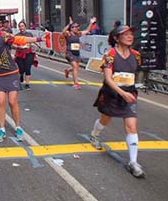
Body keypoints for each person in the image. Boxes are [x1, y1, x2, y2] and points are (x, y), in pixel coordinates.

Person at [89, 25, 144, 178]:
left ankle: (133, 162)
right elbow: (107, 78)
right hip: (111, 94)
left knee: (131, 126)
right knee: (105, 120)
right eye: (125, 34)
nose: (130, 36)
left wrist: (136, 86)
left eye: (131, 34)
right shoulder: (110, 55)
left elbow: (137, 73)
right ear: (116, 38)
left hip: (129, 95)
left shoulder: (136, 55)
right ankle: (95, 134)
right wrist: (121, 93)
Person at [0, 16, 44, 143]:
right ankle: (1, 129)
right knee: (0, 101)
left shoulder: (3, 36)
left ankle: (18, 127)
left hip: (11, 73)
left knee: (12, 101)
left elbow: (20, 39)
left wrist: (39, 38)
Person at [62, 16, 97, 89]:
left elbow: (87, 31)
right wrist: (69, 24)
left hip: (76, 52)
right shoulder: (68, 34)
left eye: (78, 27)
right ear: (72, 28)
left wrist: (91, 23)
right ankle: (76, 83)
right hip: (69, 52)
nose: (77, 28)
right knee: (75, 67)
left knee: (77, 67)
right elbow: (63, 32)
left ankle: (68, 70)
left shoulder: (78, 34)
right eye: (75, 27)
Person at [14, 21, 38, 90]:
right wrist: (18, 47)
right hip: (20, 54)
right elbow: (13, 44)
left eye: (22, 26)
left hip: (29, 53)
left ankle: (27, 84)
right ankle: (21, 74)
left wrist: (39, 46)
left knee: (28, 68)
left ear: (25, 27)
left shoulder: (29, 34)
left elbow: (33, 40)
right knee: (21, 68)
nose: (21, 28)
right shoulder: (17, 35)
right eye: (20, 26)